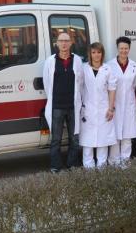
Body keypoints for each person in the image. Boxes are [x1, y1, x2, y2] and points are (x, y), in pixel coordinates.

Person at [42, 32, 84, 172]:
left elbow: (81, 81)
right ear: (57, 43)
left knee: (74, 138)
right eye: (61, 41)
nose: (64, 43)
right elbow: (47, 83)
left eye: (66, 40)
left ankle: (72, 164)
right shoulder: (50, 61)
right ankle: (55, 166)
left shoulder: (77, 60)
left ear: (71, 43)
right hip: (57, 107)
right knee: (56, 139)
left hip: (73, 106)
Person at [79, 42, 118, 169]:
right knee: (87, 142)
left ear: (102, 54)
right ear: (90, 54)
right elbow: (79, 87)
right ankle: (88, 169)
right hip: (88, 110)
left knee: (103, 141)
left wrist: (111, 108)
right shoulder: (84, 68)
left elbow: (112, 89)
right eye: (94, 52)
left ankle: (102, 168)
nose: (96, 55)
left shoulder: (107, 69)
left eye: (99, 52)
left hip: (104, 109)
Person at [106, 36, 136, 167]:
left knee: (127, 135)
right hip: (114, 104)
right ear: (117, 49)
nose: (124, 50)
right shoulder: (109, 65)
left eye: (126, 48)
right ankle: (114, 162)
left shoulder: (133, 65)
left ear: (129, 49)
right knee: (114, 135)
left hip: (129, 105)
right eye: (121, 48)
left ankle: (125, 162)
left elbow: (134, 84)